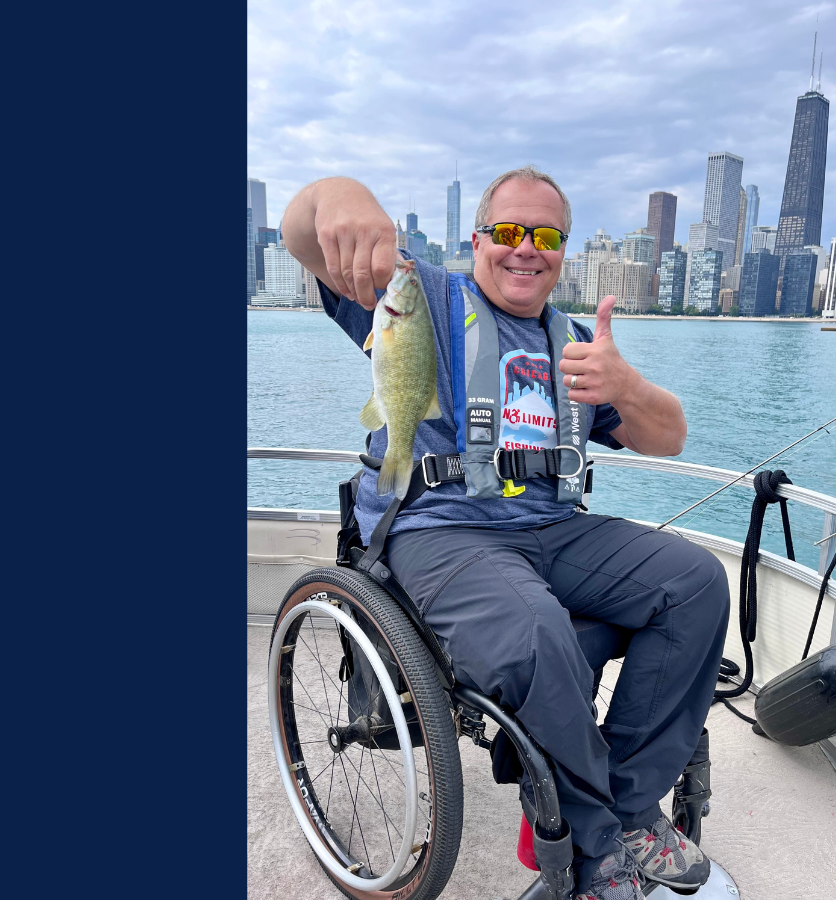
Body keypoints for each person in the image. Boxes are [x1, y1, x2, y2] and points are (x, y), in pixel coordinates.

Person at [282, 166, 729, 900]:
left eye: (545, 236)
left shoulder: (576, 343)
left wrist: (627, 387)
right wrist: (339, 195)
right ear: (477, 239)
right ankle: (594, 858)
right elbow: (305, 232)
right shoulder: (417, 295)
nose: (526, 249)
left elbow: (669, 436)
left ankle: (630, 809)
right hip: (440, 530)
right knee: (535, 632)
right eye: (508, 232)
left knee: (696, 583)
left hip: (553, 527)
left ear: (562, 251)